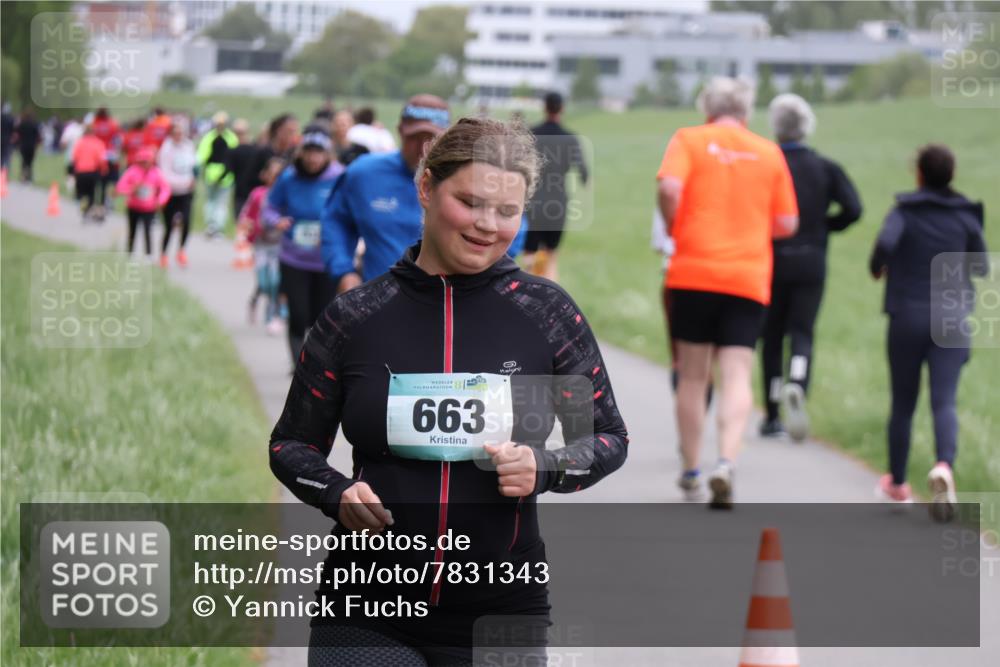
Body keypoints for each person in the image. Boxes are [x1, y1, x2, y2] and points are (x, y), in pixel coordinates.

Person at [269, 117, 628, 664]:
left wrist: (547, 466)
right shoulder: (354, 317)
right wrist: (334, 492)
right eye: (471, 202)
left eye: (508, 212)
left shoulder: (547, 314)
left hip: (500, 611)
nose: (488, 225)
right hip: (369, 608)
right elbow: (290, 446)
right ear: (426, 188)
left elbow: (605, 438)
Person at [655, 77, 798, 508]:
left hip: (694, 272)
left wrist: (676, 225)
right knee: (737, 372)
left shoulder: (689, 139)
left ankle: (690, 470)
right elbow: (788, 224)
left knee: (694, 375)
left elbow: (668, 187)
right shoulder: (769, 152)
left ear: (706, 107)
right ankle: (726, 462)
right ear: (747, 111)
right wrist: (754, 227)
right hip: (747, 277)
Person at [869, 144, 987, 520]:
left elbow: (886, 243)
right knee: (944, 400)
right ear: (951, 175)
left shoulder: (905, 212)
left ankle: (899, 484)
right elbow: (982, 266)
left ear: (918, 173)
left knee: (903, 404)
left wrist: (879, 267)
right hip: (952, 318)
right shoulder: (966, 218)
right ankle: (943, 466)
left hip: (907, 315)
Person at [759, 94, 863, 441]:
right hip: (811, 260)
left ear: (776, 127)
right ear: (807, 127)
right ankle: (798, 382)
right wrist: (823, 227)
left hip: (771, 260)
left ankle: (772, 413)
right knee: (802, 332)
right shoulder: (826, 167)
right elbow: (854, 208)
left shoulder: (767, 164)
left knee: (771, 337)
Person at [322, 95, 452, 293]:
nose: (422, 147)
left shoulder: (461, 181)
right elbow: (336, 221)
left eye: (431, 139)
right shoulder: (364, 173)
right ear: (400, 131)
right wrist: (343, 271)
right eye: (414, 137)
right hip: (378, 299)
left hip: (445, 301)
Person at [262, 126, 344, 362]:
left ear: (328, 154)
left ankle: (316, 366)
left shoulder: (339, 176)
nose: (313, 158)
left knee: (321, 319)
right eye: (308, 151)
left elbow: (350, 211)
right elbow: (270, 207)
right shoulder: (289, 177)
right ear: (301, 152)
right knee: (298, 315)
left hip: (326, 261)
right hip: (294, 258)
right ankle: (298, 367)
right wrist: (276, 221)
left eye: (318, 152)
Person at [522, 92, 589, 282]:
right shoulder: (570, 139)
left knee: (530, 254)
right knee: (550, 255)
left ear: (544, 108)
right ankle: (550, 298)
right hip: (558, 200)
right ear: (562, 108)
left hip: (533, 199)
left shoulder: (531, 134)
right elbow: (584, 173)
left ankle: (527, 294)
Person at [239, 156, 287, 334]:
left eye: (279, 175)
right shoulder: (258, 194)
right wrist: (246, 224)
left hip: (280, 245)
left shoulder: (287, 195)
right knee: (264, 282)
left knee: (275, 281)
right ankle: (254, 300)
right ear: (264, 175)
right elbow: (247, 214)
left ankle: (272, 313)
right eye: (272, 174)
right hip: (260, 244)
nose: (275, 178)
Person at [116, 146, 171, 261]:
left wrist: (160, 201)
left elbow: (165, 188)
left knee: (147, 230)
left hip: (149, 207)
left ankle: (148, 254)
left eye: (147, 161)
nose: (145, 164)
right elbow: (120, 187)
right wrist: (132, 189)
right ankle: (130, 253)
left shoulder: (156, 172)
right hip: (133, 206)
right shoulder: (132, 171)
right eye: (143, 161)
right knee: (132, 230)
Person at [157, 117, 198, 268]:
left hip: (186, 191)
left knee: (187, 221)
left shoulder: (188, 146)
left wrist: (193, 179)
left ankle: (181, 250)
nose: (179, 136)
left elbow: (193, 165)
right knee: (169, 225)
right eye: (176, 133)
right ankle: (163, 254)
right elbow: (164, 172)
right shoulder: (166, 149)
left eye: (181, 133)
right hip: (171, 191)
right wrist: (176, 183)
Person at [197, 111, 239, 238]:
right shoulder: (229, 137)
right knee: (217, 202)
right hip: (222, 174)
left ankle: (214, 226)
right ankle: (214, 226)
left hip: (218, 174)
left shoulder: (210, 137)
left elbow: (201, 157)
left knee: (215, 202)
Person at [70, 124, 108, 222]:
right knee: (91, 193)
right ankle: (88, 210)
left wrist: (73, 170)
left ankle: (84, 209)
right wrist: (104, 169)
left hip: (80, 171)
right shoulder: (98, 143)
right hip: (92, 171)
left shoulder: (79, 142)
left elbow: (74, 157)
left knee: (82, 192)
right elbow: (101, 159)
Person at [91, 107, 122, 219]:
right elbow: (118, 140)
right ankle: (109, 201)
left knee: (101, 182)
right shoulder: (113, 124)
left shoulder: (94, 124)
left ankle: (99, 203)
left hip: (98, 156)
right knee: (113, 181)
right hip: (111, 156)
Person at [227, 118, 258, 219]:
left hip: (240, 191)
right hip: (254, 191)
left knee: (240, 221)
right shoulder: (256, 149)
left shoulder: (233, 151)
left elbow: (229, 170)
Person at [14, 108, 42, 183]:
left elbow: (17, 134)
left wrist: (16, 144)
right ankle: (29, 177)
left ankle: (23, 176)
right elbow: (38, 136)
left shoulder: (22, 124)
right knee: (30, 162)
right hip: (32, 146)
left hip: (23, 145)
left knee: (24, 161)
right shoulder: (34, 124)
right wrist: (38, 144)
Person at [1, 103, 14, 170]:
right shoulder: (10, 118)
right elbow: (13, 130)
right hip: (7, 139)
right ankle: (5, 171)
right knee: (6, 156)